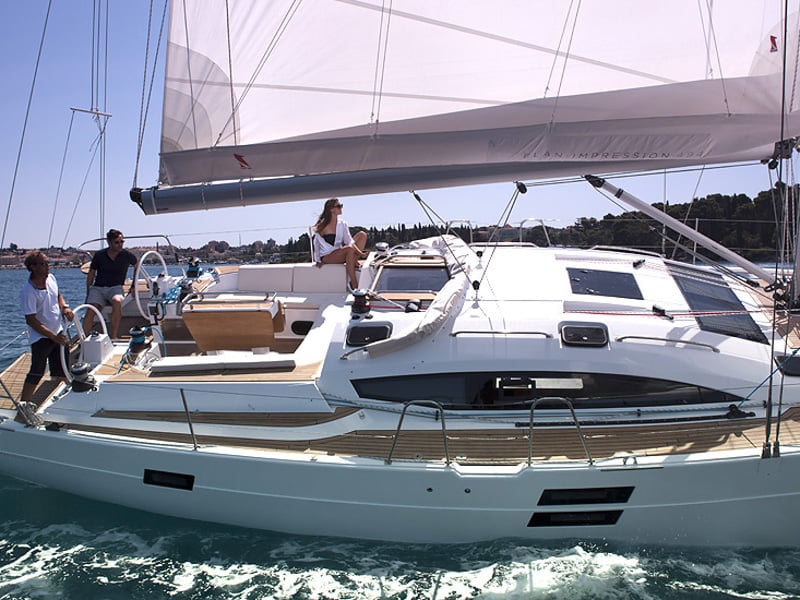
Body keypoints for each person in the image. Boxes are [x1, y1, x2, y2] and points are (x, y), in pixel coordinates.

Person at [18, 251, 74, 422]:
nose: (47, 265)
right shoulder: (29, 291)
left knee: (63, 368)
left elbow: (57, 294)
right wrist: (52, 336)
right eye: (43, 263)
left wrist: (64, 307)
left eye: (47, 262)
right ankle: (24, 406)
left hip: (57, 331)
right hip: (41, 337)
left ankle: (64, 401)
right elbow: (31, 320)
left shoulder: (51, 279)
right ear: (33, 267)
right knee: (37, 371)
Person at [83, 229, 139, 339]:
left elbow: (137, 266)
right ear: (109, 242)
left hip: (115, 288)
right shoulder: (99, 255)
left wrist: (133, 286)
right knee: (91, 308)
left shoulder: (126, 255)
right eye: (117, 242)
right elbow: (91, 274)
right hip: (98, 288)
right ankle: (83, 339)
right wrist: (88, 292)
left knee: (117, 302)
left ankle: (113, 336)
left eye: (122, 242)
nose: (120, 245)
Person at [312, 198, 367, 290]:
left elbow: (349, 241)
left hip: (340, 252)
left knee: (362, 235)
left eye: (341, 205)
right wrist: (318, 260)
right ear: (331, 209)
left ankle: (353, 260)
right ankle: (353, 283)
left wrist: (361, 254)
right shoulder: (322, 225)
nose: (341, 208)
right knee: (349, 249)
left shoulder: (342, 224)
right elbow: (316, 244)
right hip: (327, 256)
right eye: (338, 206)